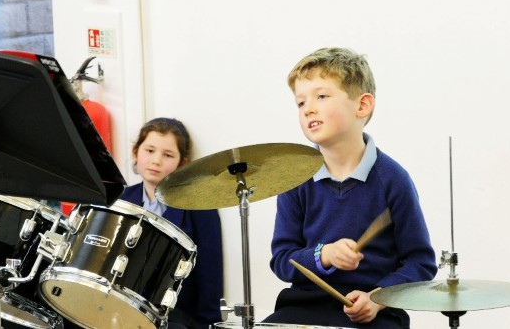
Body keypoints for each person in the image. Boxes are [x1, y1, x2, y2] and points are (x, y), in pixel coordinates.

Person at [262, 48, 437, 328]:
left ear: (363, 105)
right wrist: (324, 255)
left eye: (321, 96)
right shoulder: (295, 180)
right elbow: (283, 261)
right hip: (305, 306)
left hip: (377, 309)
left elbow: (421, 261)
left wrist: (379, 298)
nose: (308, 108)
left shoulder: (393, 179)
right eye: (300, 102)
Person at [120, 117, 223, 329]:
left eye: (167, 155)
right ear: (135, 152)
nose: (156, 161)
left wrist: (209, 324)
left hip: (173, 316)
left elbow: (209, 276)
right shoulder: (120, 201)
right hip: (120, 306)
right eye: (149, 151)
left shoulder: (201, 207)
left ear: (182, 163)